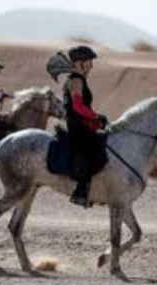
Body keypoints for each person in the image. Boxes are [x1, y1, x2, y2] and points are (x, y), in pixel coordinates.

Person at [63, 45, 108, 208]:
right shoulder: (75, 80)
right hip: (77, 128)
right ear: (78, 63)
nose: (91, 65)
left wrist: (95, 119)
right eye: (88, 61)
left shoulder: (79, 80)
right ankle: (81, 191)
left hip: (82, 124)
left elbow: (83, 108)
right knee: (94, 150)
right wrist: (95, 116)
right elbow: (77, 106)